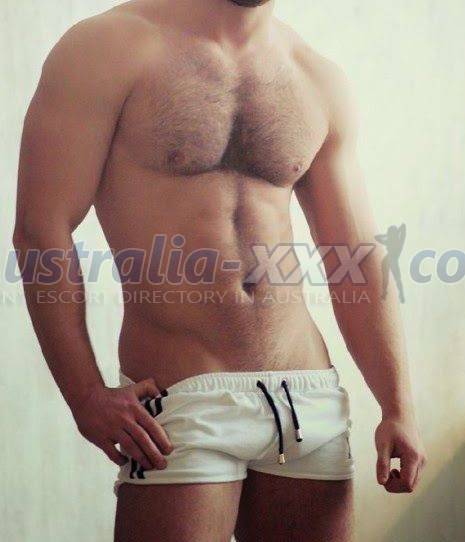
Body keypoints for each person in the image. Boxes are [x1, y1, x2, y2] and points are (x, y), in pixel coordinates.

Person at [13, 1, 426, 540]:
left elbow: (354, 253)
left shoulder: (315, 76)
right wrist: (84, 394)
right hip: (182, 397)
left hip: (308, 397)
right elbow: (41, 229)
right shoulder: (106, 49)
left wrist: (397, 404)